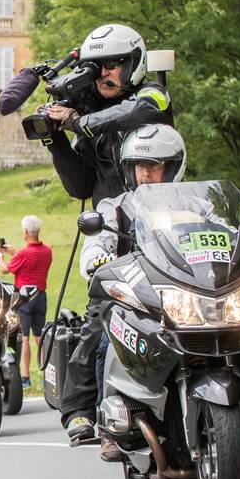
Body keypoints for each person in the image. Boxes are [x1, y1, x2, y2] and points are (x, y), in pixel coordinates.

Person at [63, 124, 186, 451]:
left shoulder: (195, 207)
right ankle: (103, 421)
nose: (145, 174)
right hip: (132, 296)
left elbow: (223, 229)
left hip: (184, 294)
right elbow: (94, 243)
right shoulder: (114, 208)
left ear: (172, 168)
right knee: (105, 337)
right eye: (139, 166)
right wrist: (97, 259)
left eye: (154, 166)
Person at [38, 24, 174, 207]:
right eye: (95, 67)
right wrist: (55, 140)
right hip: (109, 227)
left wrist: (79, 122)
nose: (102, 74)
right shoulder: (92, 109)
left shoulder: (154, 94)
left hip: (156, 218)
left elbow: (133, 110)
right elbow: (82, 188)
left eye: (110, 65)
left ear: (131, 63)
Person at [0, 215, 53, 387]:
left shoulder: (24, 254)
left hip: (24, 299)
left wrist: (0, 256)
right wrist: (14, 253)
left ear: (26, 232)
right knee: (39, 337)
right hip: (41, 296)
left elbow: (5, 270)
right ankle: (47, 375)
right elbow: (29, 265)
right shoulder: (47, 251)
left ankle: (25, 377)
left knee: (25, 337)